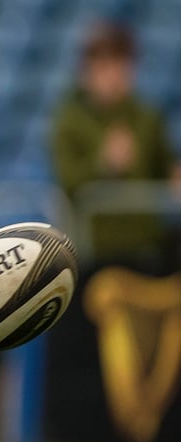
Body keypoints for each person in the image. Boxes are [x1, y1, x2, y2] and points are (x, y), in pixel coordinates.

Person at [50, 21, 180, 262]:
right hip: (94, 250)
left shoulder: (147, 116)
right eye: (104, 66)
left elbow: (165, 167)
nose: (113, 76)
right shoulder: (68, 120)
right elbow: (67, 181)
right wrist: (103, 164)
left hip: (146, 246)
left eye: (121, 65)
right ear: (86, 71)